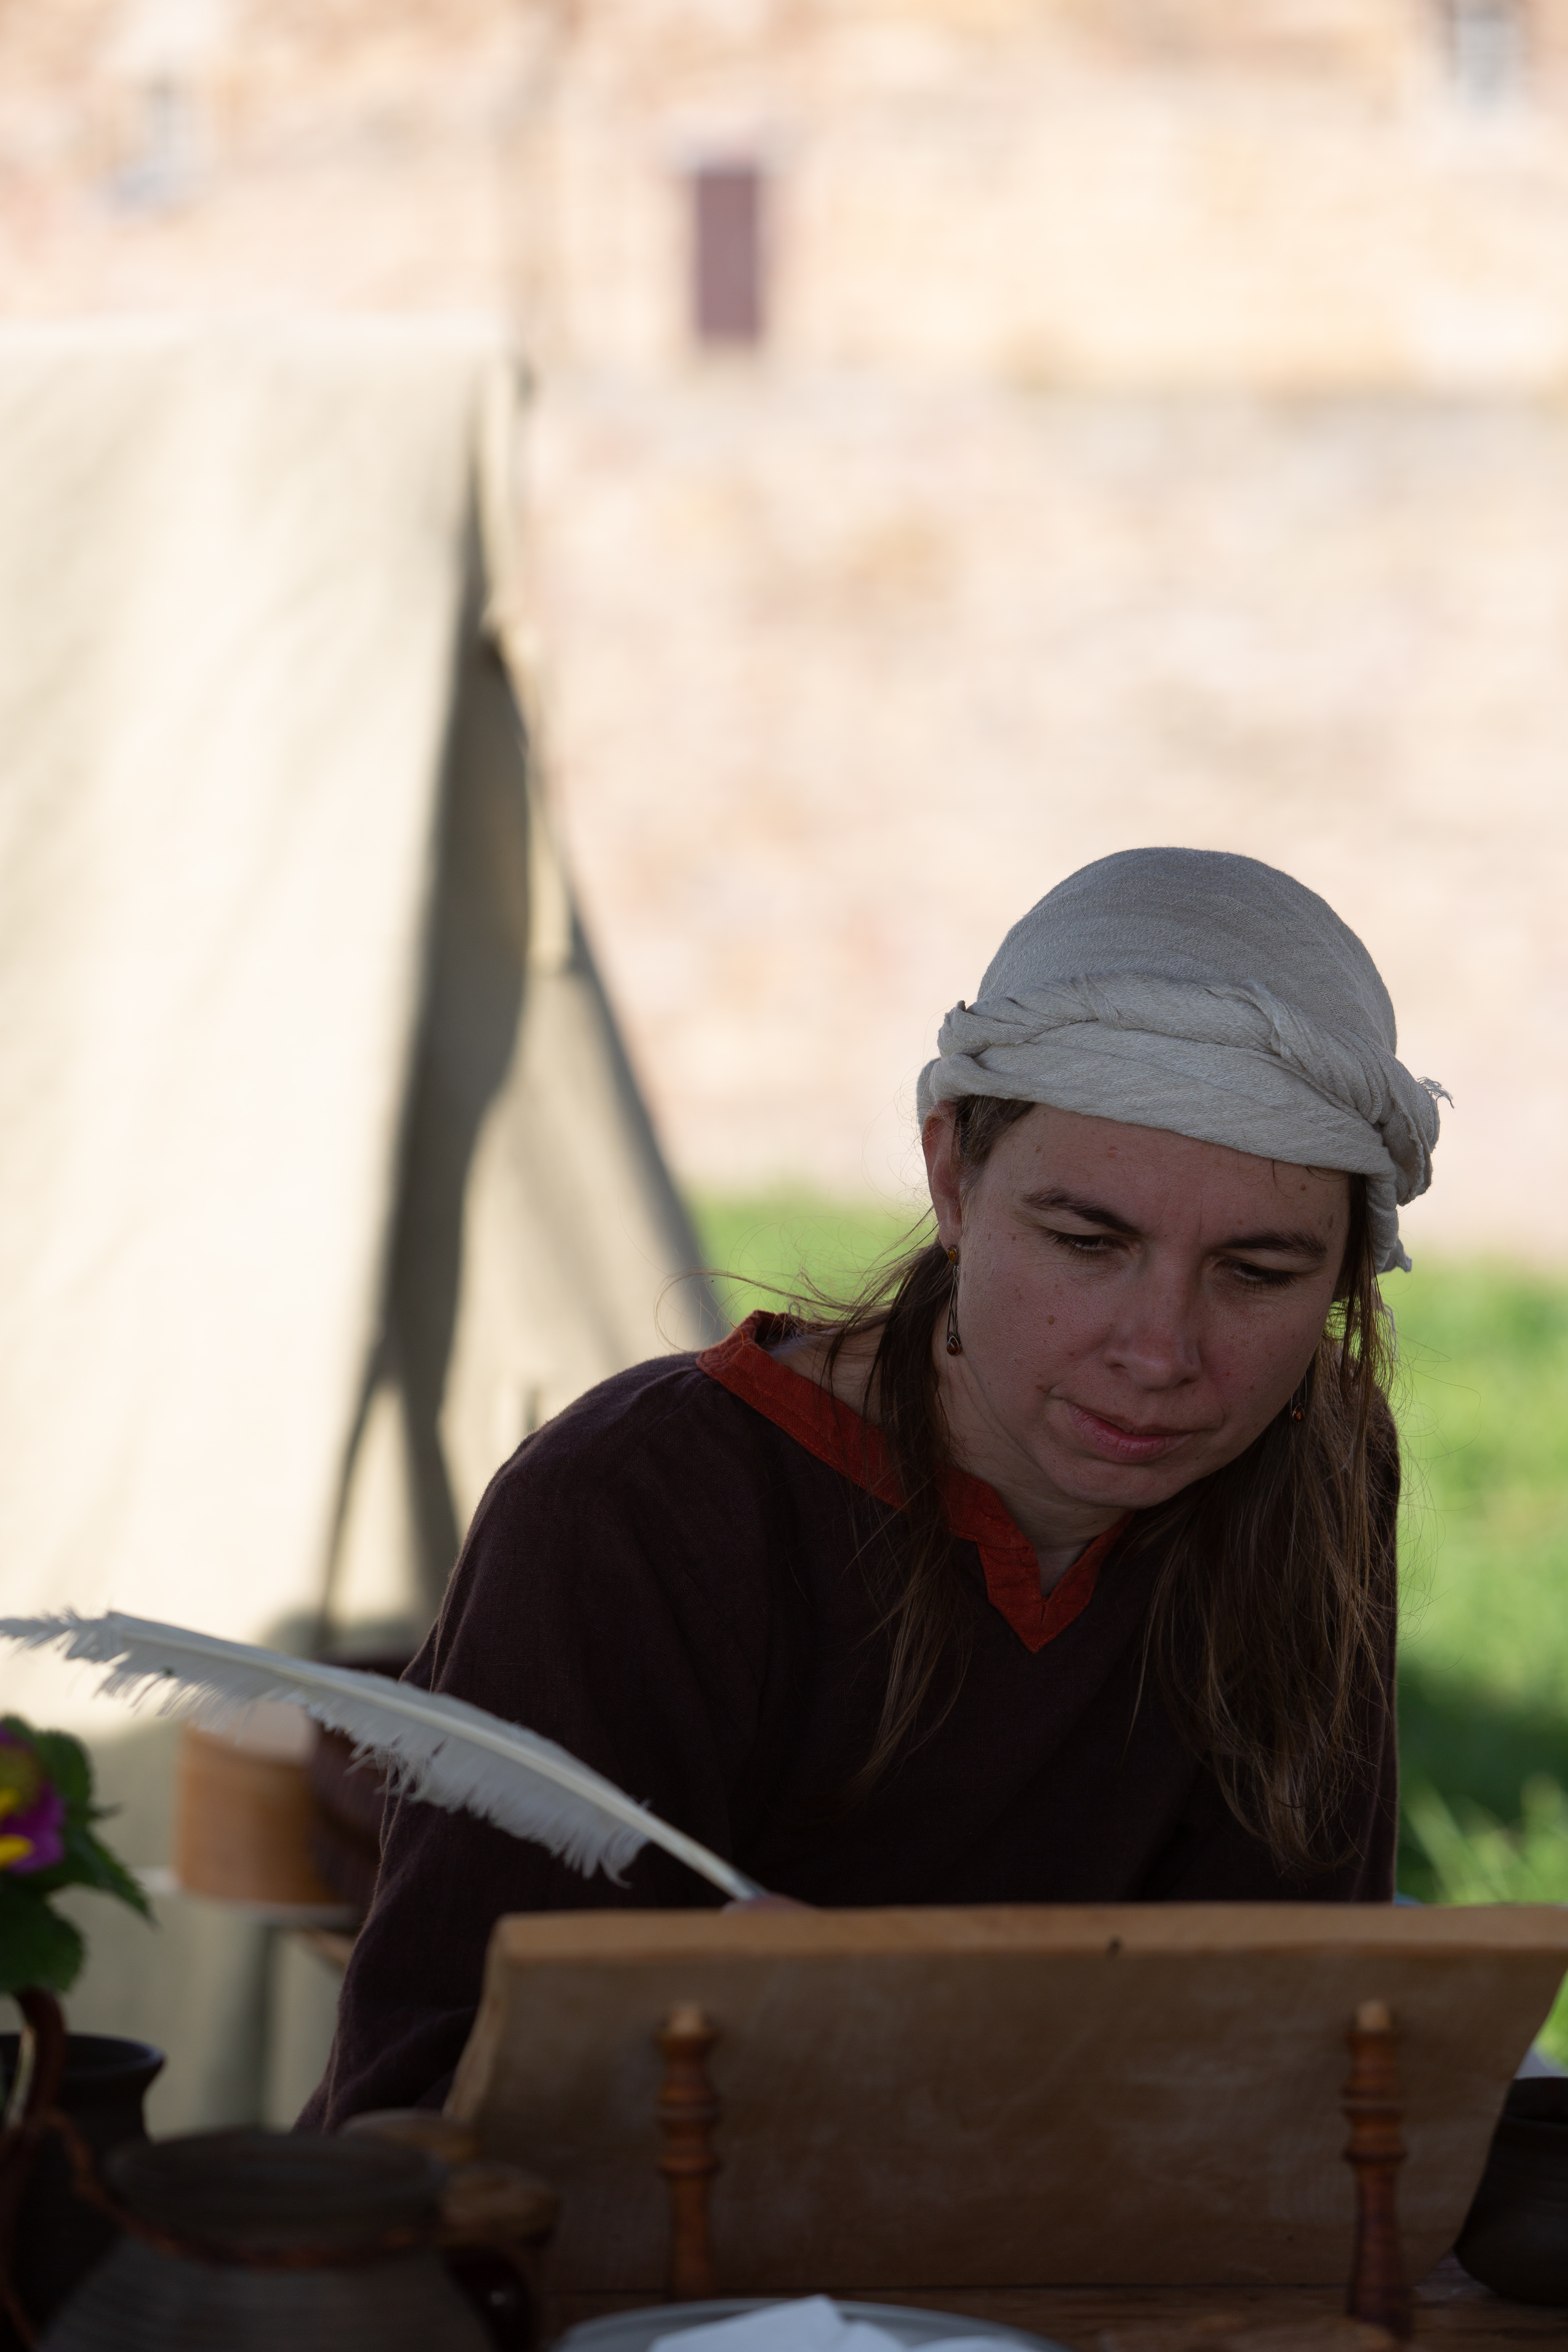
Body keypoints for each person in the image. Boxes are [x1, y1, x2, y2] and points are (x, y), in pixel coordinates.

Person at [301, 846, 1443, 2127]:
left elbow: (1294, 2041)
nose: (1161, 1354)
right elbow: (430, 2109)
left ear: (1346, 1273)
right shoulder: (635, 1506)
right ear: (953, 1177)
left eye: (1260, 1273)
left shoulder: (1315, 1458)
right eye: (1088, 1242)